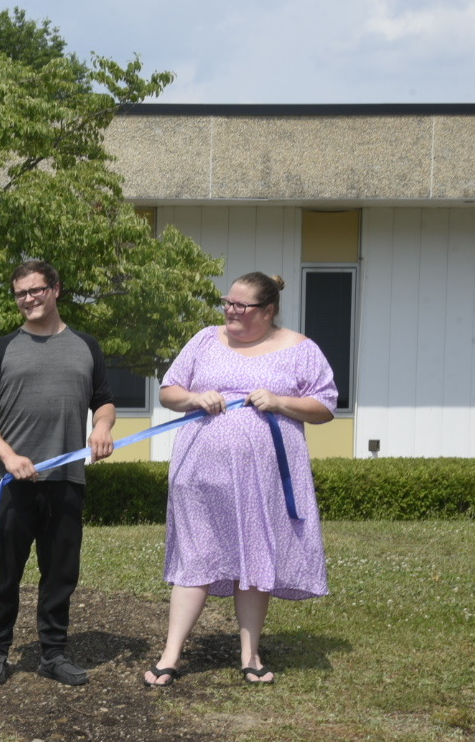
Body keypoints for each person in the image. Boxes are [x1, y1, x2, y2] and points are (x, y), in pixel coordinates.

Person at [143, 272, 337, 687]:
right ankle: (171, 654)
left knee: (254, 557)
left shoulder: (301, 349)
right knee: (195, 557)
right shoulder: (204, 339)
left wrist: (281, 401)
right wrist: (195, 397)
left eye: (241, 305)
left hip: (261, 481)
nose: (230, 311)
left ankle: (250, 655)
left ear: (267, 311)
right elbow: (168, 391)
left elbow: (324, 405)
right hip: (199, 475)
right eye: (227, 302)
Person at [0, 260, 116, 687]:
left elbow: (103, 401)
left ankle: (53, 653)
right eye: (20, 293)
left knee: (61, 572)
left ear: (56, 290)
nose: (28, 299)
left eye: (36, 290)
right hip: (12, 482)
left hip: (66, 479)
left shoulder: (87, 346)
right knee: (5, 572)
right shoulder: (1, 349)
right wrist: (8, 456)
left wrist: (102, 426)